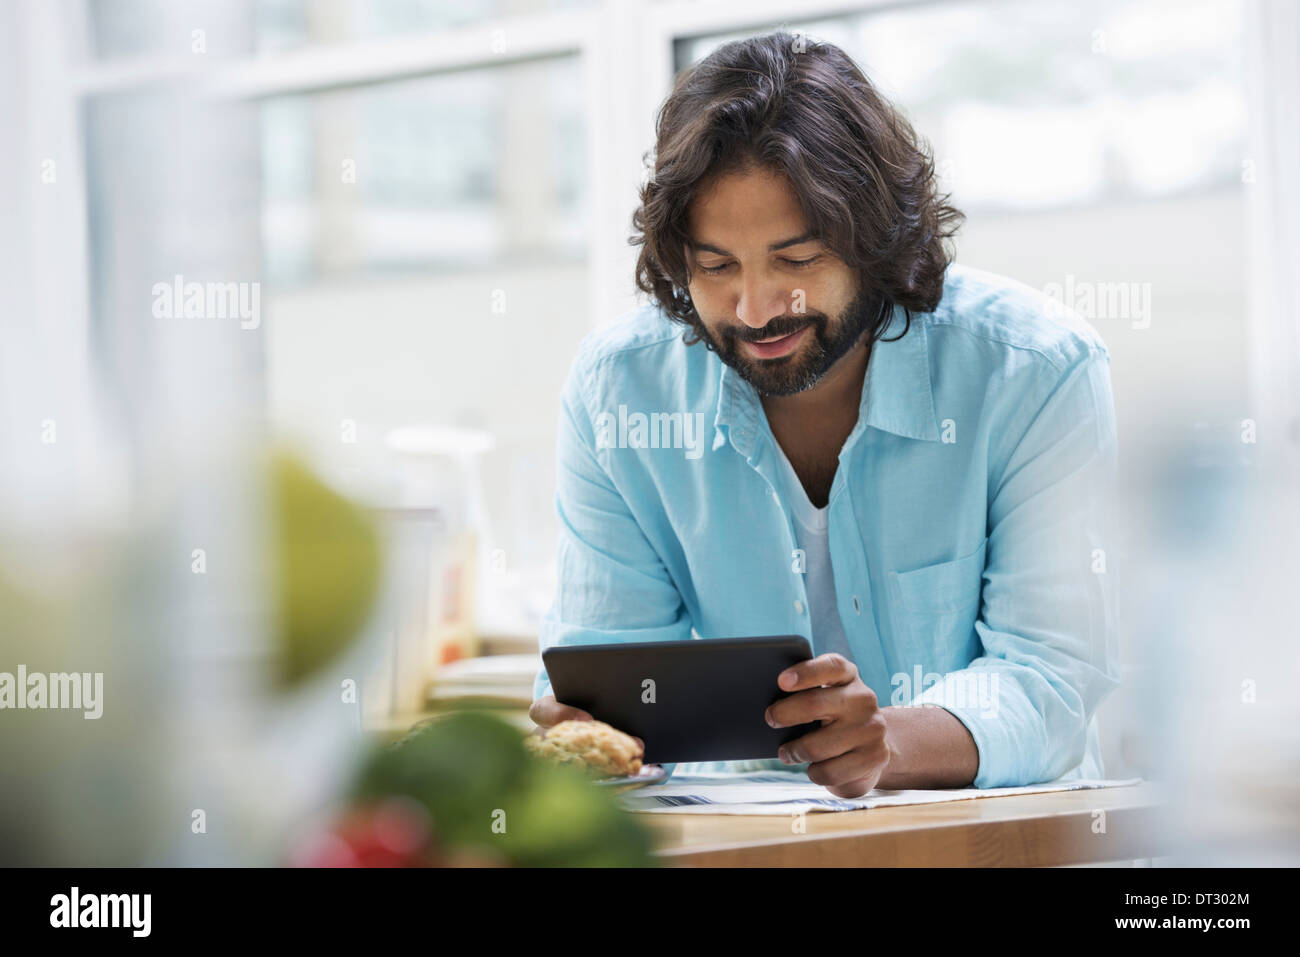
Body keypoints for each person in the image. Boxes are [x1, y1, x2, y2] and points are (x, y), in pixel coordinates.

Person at [530, 31, 1119, 798]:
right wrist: (594, 729)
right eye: (715, 266)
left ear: (874, 239)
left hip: (990, 843)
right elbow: (611, 668)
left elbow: (1054, 675)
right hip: (746, 844)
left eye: (798, 260)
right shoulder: (620, 392)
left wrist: (886, 743)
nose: (755, 308)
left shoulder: (1033, 371)